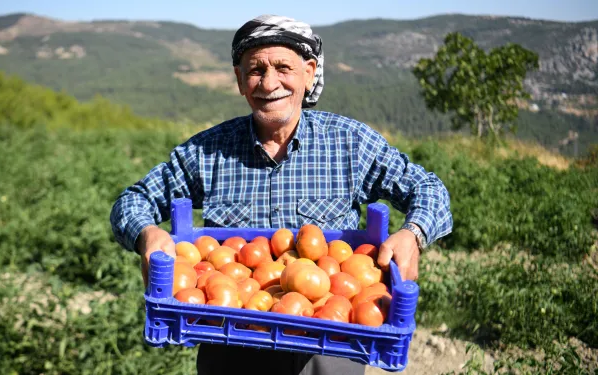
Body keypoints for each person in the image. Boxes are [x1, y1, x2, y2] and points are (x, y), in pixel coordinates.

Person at [110, 14, 453, 375]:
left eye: (283, 67)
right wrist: (146, 234)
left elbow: (428, 188)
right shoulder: (208, 152)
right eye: (256, 70)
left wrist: (413, 233)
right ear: (240, 80)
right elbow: (131, 202)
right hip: (233, 340)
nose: (269, 83)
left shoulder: (350, 144)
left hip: (331, 342)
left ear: (308, 72)